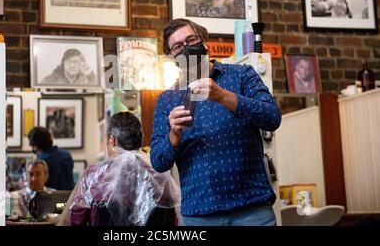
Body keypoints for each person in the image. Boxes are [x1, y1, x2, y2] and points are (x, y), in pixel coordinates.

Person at [150, 18, 282, 226]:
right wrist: (173, 136)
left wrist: (224, 97)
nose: (186, 48)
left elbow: (272, 118)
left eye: (191, 39)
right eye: (177, 46)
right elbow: (159, 162)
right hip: (199, 215)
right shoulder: (167, 99)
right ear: (172, 57)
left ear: (204, 41)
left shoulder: (242, 75)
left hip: (252, 209)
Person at [66, 112, 180, 226]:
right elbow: (171, 220)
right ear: (141, 139)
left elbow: (77, 219)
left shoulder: (94, 175)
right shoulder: (159, 176)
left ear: (112, 140)